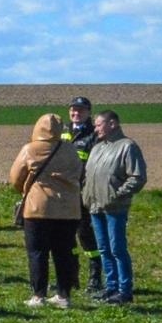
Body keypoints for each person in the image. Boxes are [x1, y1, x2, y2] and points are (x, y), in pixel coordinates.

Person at [10, 112, 83, 308]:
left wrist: (26, 190)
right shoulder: (70, 150)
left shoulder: (30, 149)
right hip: (68, 209)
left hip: (38, 208)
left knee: (37, 252)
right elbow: (79, 173)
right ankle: (64, 295)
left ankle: (38, 295)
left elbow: (15, 177)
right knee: (64, 252)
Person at [81, 110, 147, 304]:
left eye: (99, 125)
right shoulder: (97, 148)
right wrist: (86, 194)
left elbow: (138, 177)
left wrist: (116, 196)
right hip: (95, 207)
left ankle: (124, 290)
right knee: (104, 249)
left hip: (115, 208)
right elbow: (88, 176)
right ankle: (110, 288)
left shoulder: (127, 147)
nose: (96, 129)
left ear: (112, 124)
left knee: (117, 249)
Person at [62, 95, 104, 296]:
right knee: (64, 237)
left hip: (83, 193)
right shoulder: (63, 131)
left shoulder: (93, 135)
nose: (75, 113)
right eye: (73, 109)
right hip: (63, 193)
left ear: (88, 113)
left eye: (80, 110)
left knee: (86, 235)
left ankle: (95, 277)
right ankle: (69, 277)